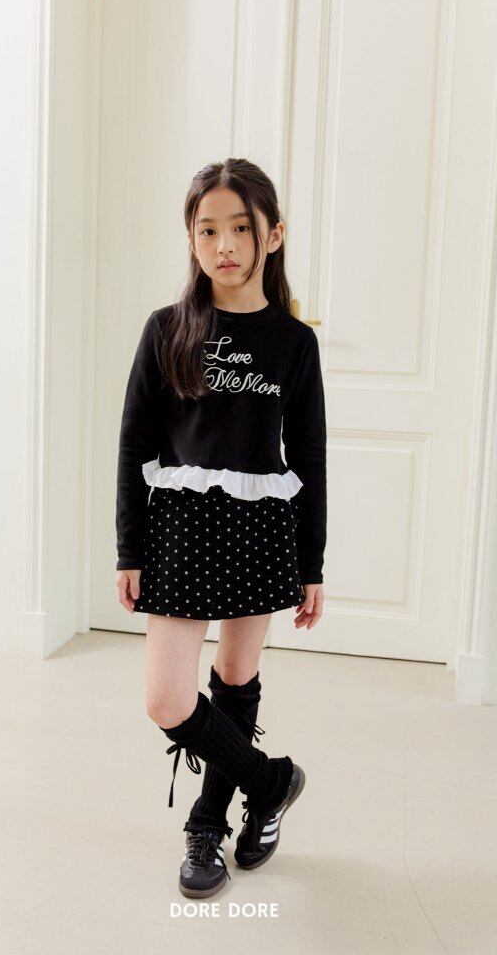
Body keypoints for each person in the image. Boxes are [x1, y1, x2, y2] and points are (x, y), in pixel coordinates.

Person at [115, 157, 327, 898]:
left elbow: (309, 457)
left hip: (260, 529)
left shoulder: (294, 344)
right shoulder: (167, 329)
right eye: (208, 230)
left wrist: (312, 564)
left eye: (241, 227)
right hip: (178, 531)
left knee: (236, 680)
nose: (225, 244)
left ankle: (208, 824)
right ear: (191, 239)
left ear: (274, 235)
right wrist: (129, 549)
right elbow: (134, 445)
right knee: (167, 700)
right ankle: (269, 783)